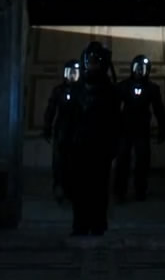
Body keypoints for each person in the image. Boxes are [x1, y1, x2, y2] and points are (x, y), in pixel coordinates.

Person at [61, 41, 122, 238]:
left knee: (99, 188)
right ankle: (80, 225)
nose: (92, 64)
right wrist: (66, 143)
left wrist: (114, 146)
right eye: (89, 60)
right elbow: (69, 119)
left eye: (96, 60)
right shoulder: (77, 89)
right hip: (79, 146)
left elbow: (115, 121)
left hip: (100, 147)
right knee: (79, 188)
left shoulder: (110, 91)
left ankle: (97, 225)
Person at [113, 54, 165, 203]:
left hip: (142, 130)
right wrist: (113, 129)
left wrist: (162, 128)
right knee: (123, 161)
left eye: (143, 69)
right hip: (125, 129)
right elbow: (114, 109)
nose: (139, 71)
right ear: (132, 68)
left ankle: (140, 190)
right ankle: (120, 191)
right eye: (137, 68)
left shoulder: (152, 88)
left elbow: (159, 109)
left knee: (142, 161)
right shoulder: (123, 86)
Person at [42, 60, 81, 204]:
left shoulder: (82, 91)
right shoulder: (59, 90)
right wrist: (47, 127)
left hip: (77, 131)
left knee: (75, 162)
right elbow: (51, 109)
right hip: (62, 130)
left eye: (75, 73)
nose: (72, 76)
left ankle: (72, 189)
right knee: (59, 162)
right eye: (70, 72)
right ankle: (59, 186)